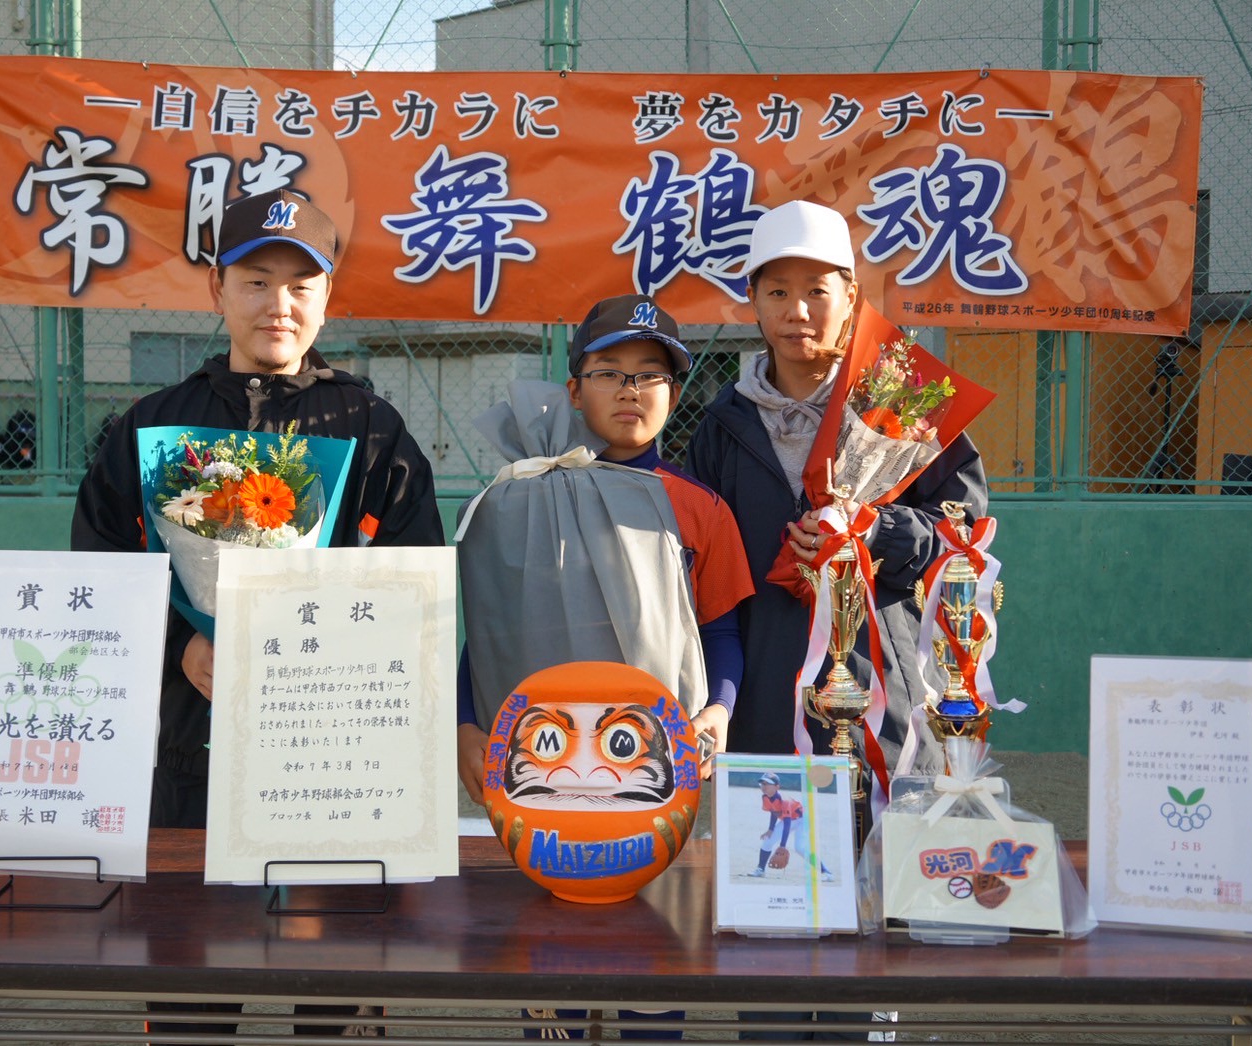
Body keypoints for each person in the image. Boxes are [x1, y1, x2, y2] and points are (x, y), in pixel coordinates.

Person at [71, 187, 444, 1041]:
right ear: (217, 290)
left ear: (326, 297)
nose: (279, 304)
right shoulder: (152, 425)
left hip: (332, 753)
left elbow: (413, 582)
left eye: (300, 285)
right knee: (191, 979)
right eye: (255, 281)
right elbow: (100, 564)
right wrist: (180, 647)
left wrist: (318, 653)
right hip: (189, 742)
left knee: (334, 981)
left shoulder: (372, 429)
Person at [685, 200, 984, 1042]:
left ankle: (866, 1029)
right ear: (751, 303)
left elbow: (965, 529)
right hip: (760, 694)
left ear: (852, 296)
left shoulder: (900, 394)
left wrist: (878, 532)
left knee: (869, 890)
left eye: (817, 290)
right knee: (768, 894)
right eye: (776, 291)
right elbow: (700, 561)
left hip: (876, 690)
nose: (797, 311)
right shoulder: (721, 421)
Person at [457, 294, 754, 1042]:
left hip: (654, 765)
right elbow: (487, 629)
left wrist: (717, 710)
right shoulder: (515, 499)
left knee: (653, 963)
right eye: (610, 371)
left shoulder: (698, 507)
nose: (631, 389)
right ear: (573, 389)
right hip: (541, 764)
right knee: (548, 959)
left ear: (674, 393)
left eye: (651, 375)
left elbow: (721, 631)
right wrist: (465, 722)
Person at [747, 772, 832, 881]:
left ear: (777, 787)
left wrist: (782, 845)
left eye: (767, 784)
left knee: (800, 848)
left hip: (803, 820)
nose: (764, 786)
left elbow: (787, 824)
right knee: (767, 841)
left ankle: (827, 873)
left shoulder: (785, 800)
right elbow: (774, 812)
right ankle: (760, 869)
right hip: (789, 819)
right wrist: (770, 829)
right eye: (762, 784)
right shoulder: (765, 797)